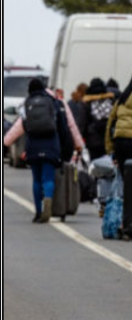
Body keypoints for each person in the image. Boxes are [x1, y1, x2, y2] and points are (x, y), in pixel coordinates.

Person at [3, 79, 73, 223]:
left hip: (33, 145)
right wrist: (65, 148)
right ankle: (48, 198)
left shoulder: (27, 103)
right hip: (50, 144)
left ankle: (38, 212)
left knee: (36, 180)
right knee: (48, 178)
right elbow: (62, 127)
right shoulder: (53, 102)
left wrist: (7, 141)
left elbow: (22, 124)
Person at [82, 78, 116, 161]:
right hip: (107, 140)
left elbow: (84, 123)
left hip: (93, 141)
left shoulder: (87, 103)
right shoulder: (111, 101)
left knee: (94, 167)